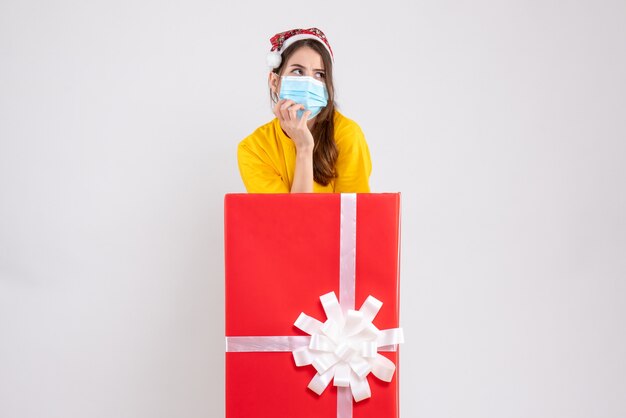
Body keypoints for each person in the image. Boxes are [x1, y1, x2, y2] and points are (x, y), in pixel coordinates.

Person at [237, 28, 372, 193]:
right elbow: (288, 218)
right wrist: (304, 149)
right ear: (274, 81)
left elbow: (352, 214)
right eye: (298, 71)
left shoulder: (347, 134)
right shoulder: (254, 148)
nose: (309, 82)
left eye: (320, 74)